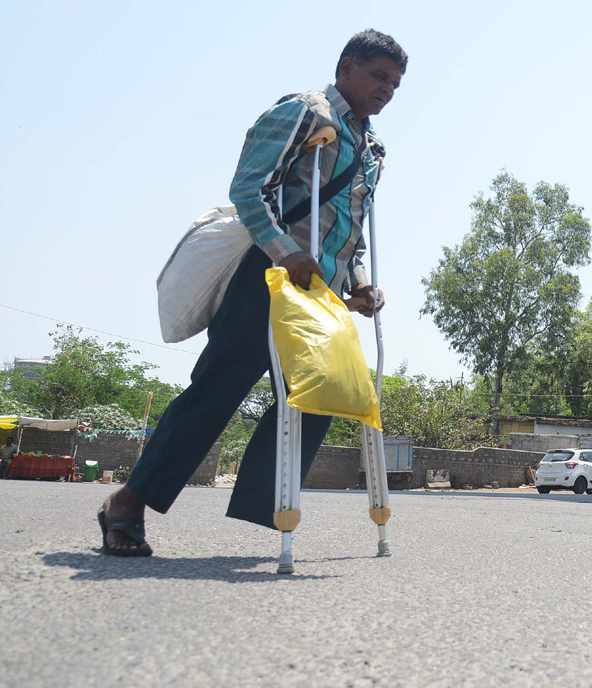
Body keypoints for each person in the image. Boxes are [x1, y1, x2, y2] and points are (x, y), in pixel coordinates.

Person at [98, 29, 407, 556]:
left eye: (395, 84)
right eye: (379, 76)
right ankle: (127, 503)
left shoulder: (373, 147)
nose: (387, 90)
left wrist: (357, 283)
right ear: (346, 68)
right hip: (268, 274)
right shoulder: (304, 112)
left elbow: (350, 229)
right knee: (218, 390)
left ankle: (270, 501)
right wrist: (285, 251)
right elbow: (248, 187)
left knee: (322, 394)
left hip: (322, 294)